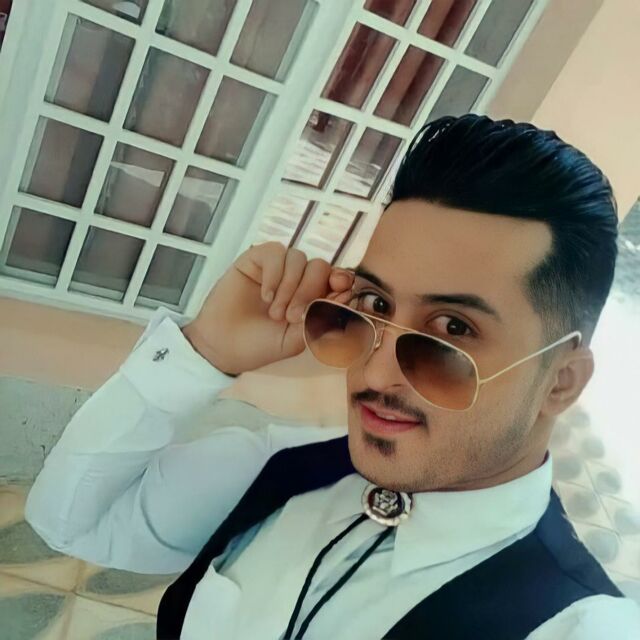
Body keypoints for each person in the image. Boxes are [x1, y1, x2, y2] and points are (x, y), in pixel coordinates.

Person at [25, 115, 640, 639]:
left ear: (561, 381)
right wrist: (204, 351)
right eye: (375, 304)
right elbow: (72, 521)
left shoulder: (574, 623)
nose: (376, 369)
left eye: (452, 329)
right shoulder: (286, 469)